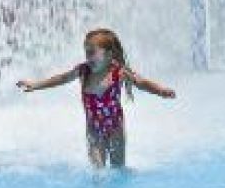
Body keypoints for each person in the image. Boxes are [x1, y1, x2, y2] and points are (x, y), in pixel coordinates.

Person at [17, 28, 175, 168]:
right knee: (98, 174)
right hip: (93, 131)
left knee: (118, 169)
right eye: (86, 52)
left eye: (92, 52)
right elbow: (61, 78)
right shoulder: (83, 71)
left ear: (109, 54)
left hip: (115, 129)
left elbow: (141, 82)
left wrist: (161, 91)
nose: (88, 57)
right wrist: (35, 85)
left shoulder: (118, 72)